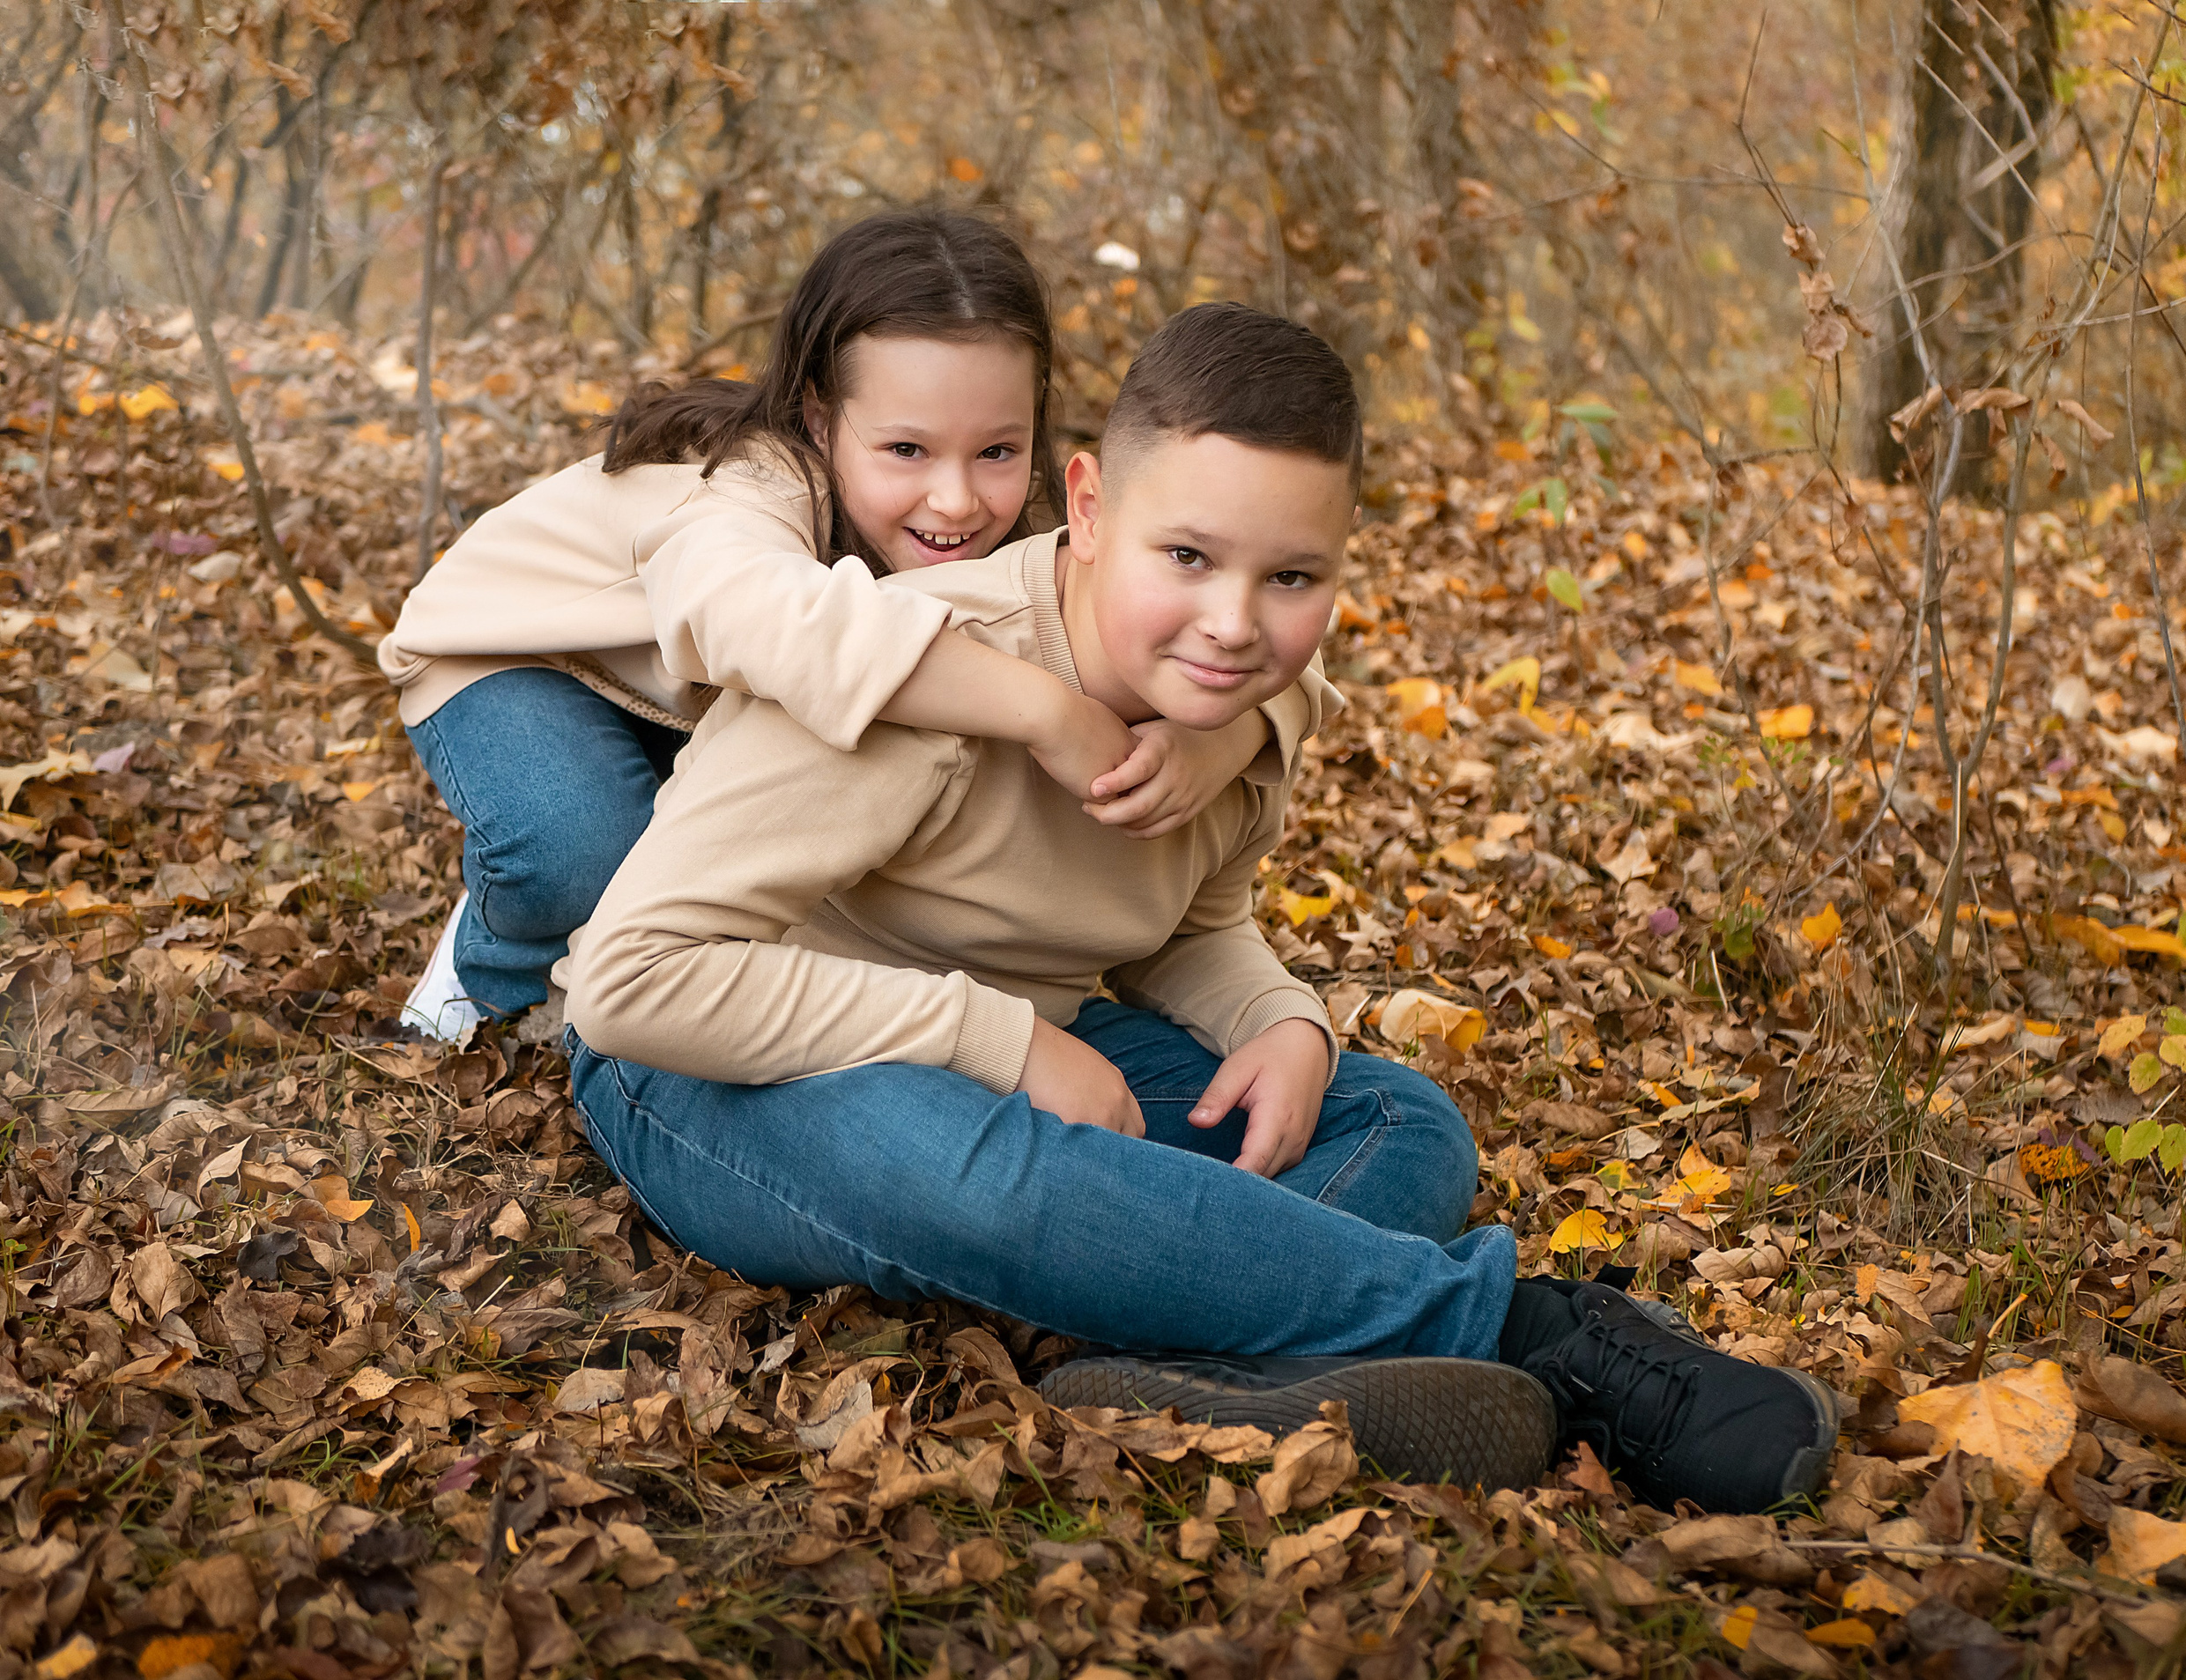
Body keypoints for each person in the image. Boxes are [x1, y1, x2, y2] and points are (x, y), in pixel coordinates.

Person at [560, 303, 1841, 1513]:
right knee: (967, 1163)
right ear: (1091, 502)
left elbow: (1182, 923)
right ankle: (1525, 1333)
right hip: (712, 1070)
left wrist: (1277, 1018)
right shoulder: (921, 675)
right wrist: (1000, 1044)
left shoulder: (1222, 719)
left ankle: (1237, 1359)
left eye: (1291, 576)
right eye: (1187, 556)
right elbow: (636, 982)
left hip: (1029, 1042)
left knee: (1399, 1121)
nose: (1235, 624)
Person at [378, 209, 1330, 1042]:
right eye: (906, 448)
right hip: (521, 659)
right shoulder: (751, 491)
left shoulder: (1044, 539)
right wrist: (1045, 710)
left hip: (689, 702)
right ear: (821, 419)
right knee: (582, 845)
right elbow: (758, 621)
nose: (955, 498)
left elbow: (1238, 631)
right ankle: (491, 965)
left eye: (997, 449)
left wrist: (1234, 733)